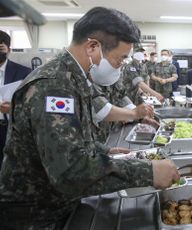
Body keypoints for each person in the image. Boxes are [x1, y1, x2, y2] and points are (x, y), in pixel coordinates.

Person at [0, 7, 179, 229]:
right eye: (119, 59)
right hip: (36, 215)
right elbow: (70, 172)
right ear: (92, 46)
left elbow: (62, 142)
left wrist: (100, 150)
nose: (121, 66)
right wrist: (149, 172)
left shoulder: (73, 77)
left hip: (55, 205)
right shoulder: (53, 86)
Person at [0, 30, 31, 168]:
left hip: (10, 128)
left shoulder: (23, 72)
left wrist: (14, 108)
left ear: (8, 50)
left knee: (9, 167)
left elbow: (31, 103)